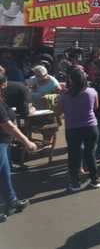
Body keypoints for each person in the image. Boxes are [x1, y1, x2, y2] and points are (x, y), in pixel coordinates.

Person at [0, 74, 37, 223]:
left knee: (4, 174)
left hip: (3, 142)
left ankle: (12, 201)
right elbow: (6, 124)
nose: (6, 87)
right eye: (4, 85)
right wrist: (27, 141)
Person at [57, 69, 100, 192]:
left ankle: (75, 183)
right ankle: (95, 180)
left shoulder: (65, 96)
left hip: (73, 128)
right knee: (90, 153)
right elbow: (96, 107)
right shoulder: (92, 92)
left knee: (74, 156)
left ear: (71, 81)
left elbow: (58, 111)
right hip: (91, 126)